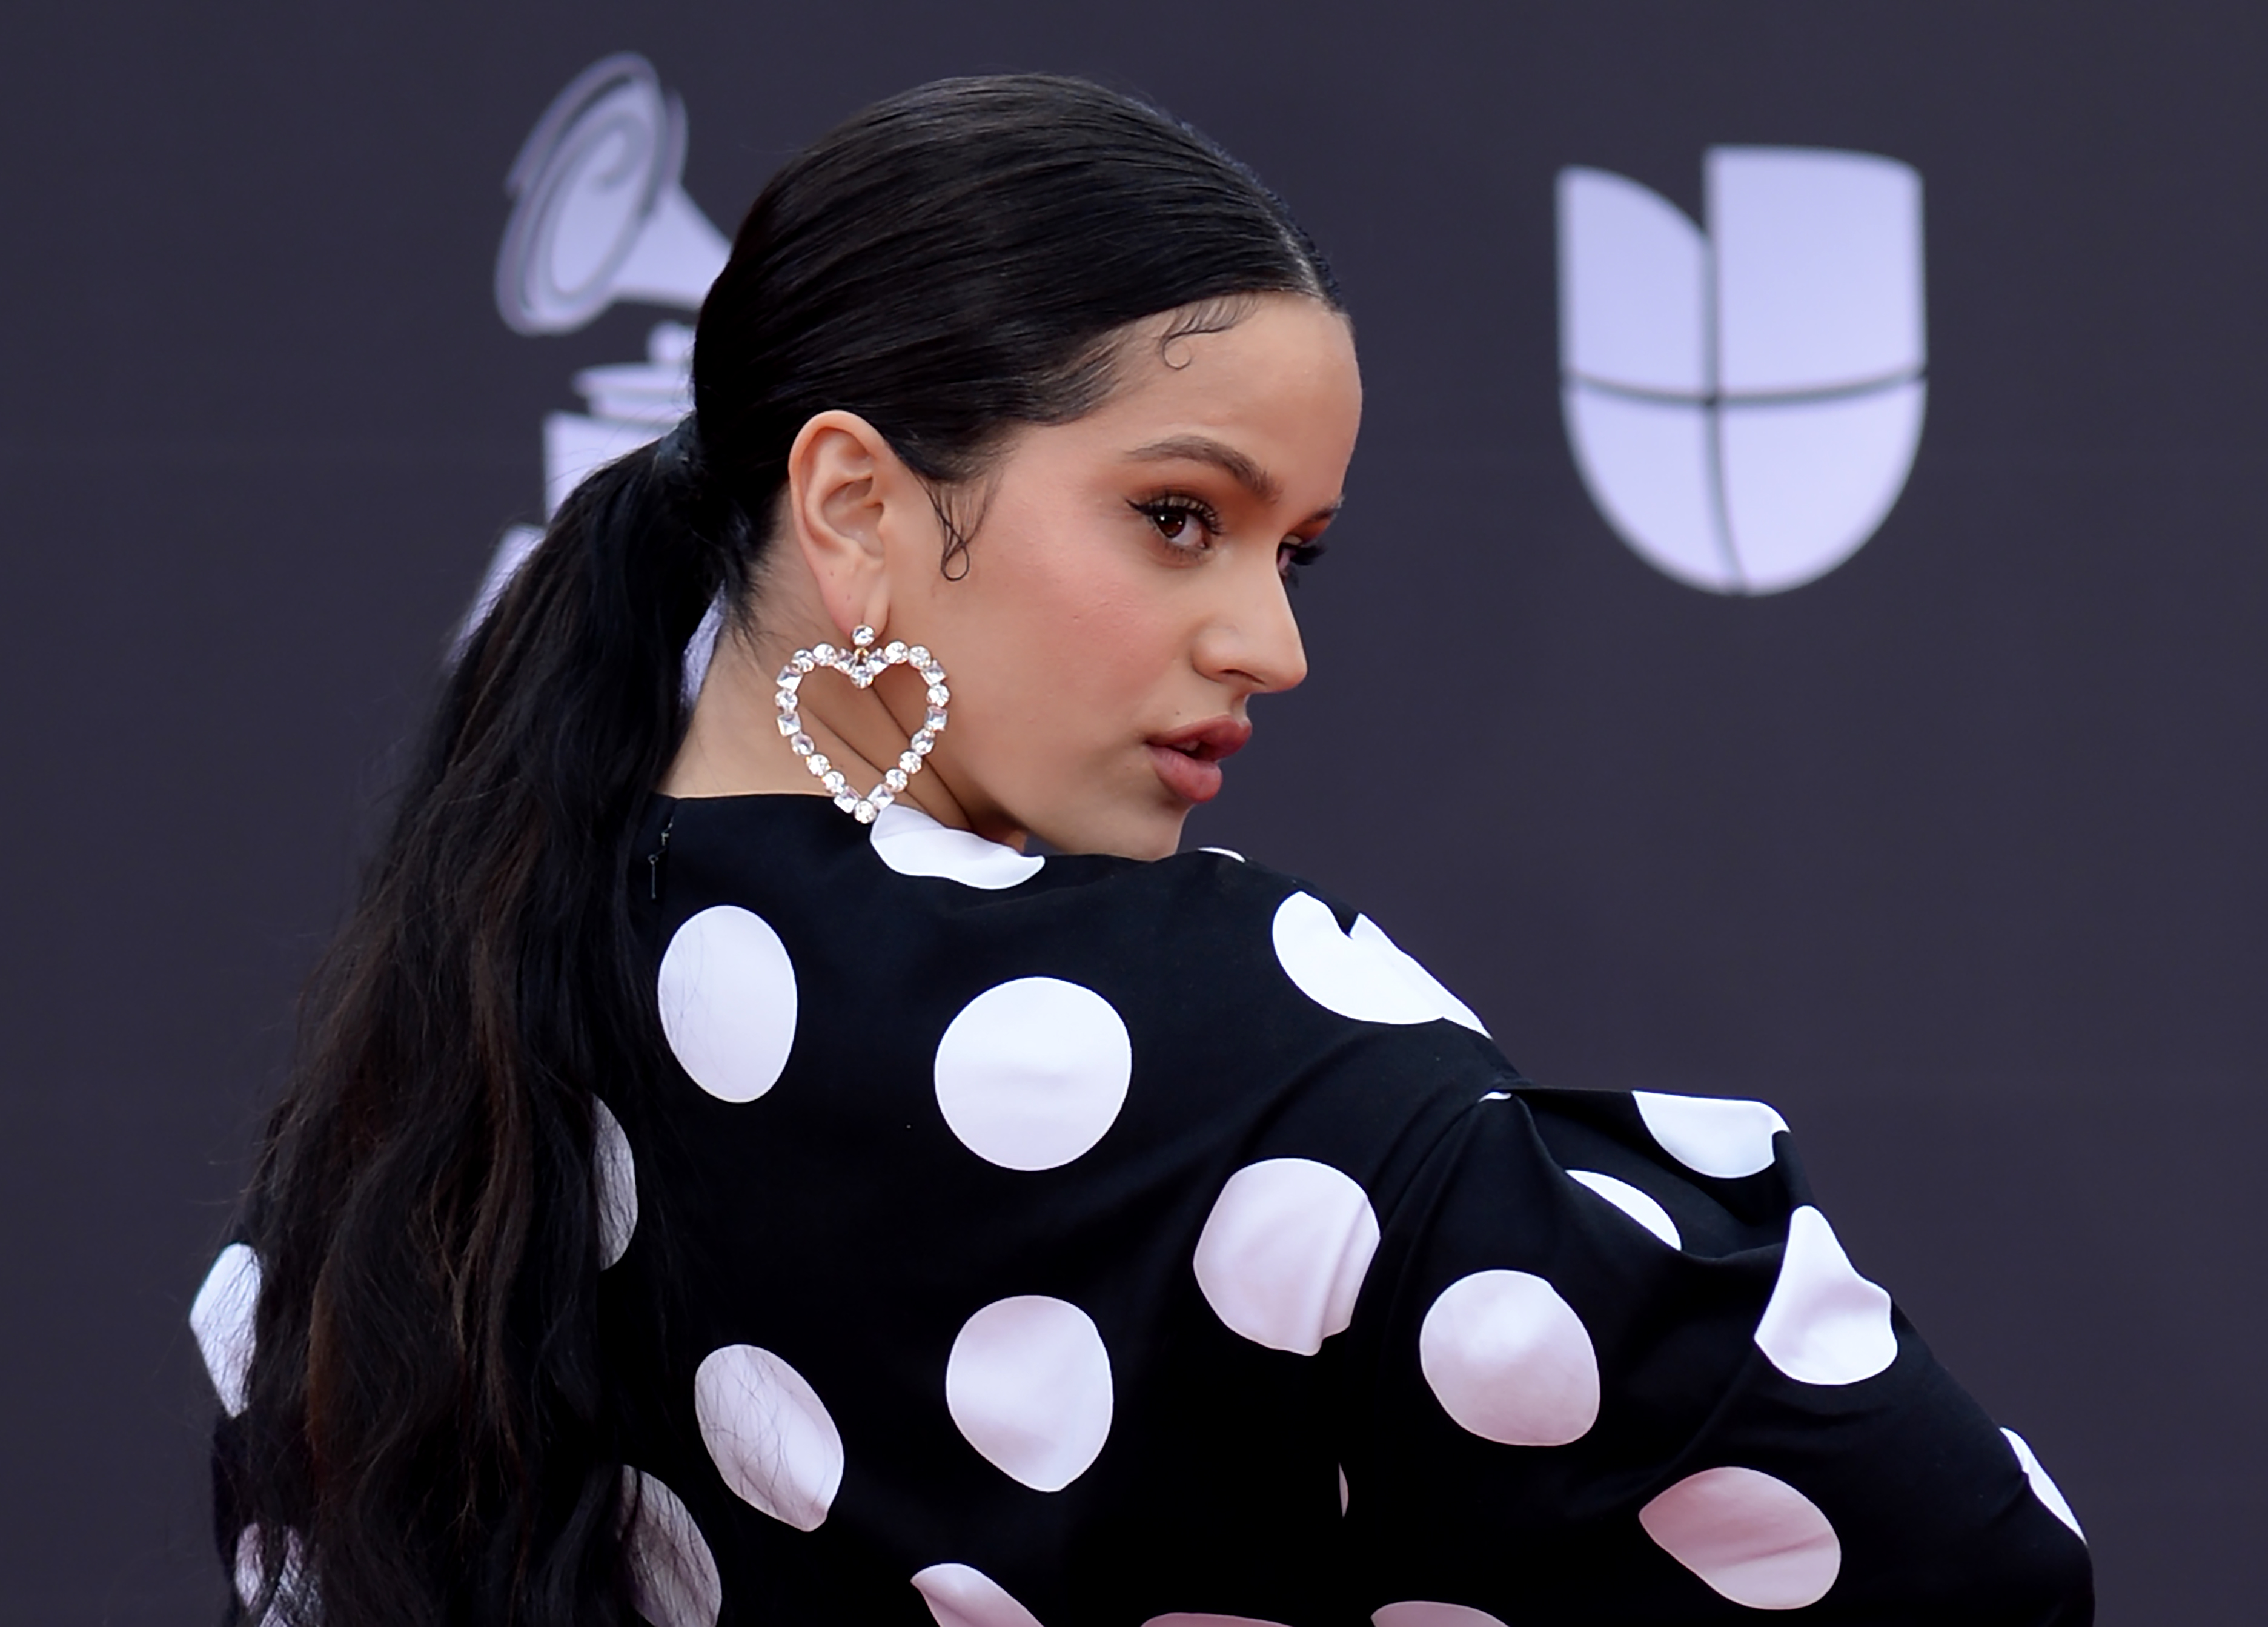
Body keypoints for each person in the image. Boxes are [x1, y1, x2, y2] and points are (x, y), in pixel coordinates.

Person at [192, 75, 2095, 1627]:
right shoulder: (1248, 1039)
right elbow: (1965, 1554)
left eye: (1297, 553)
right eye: (1181, 516)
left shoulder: (410, 1112)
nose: (1270, 644)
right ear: (854, 502)